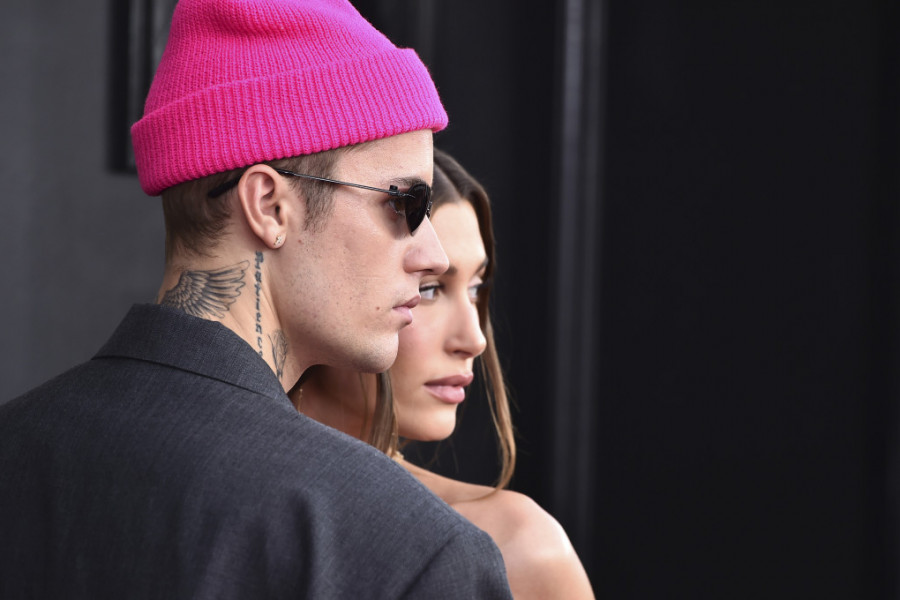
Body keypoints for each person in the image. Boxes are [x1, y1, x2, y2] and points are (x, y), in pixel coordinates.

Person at [0, 1, 512, 598]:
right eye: (405, 204)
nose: (434, 255)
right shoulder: (402, 550)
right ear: (269, 206)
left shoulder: (16, 450)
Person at [296, 149, 595, 598]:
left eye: (475, 289)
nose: (474, 339)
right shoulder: (225, 496)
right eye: (430, 289)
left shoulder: (520, 547)